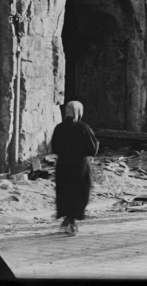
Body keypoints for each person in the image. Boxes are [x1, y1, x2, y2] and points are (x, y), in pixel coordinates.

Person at [51, 100, 99, 236]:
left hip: (63, 165)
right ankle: (72, 220)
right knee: (79, 191)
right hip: (80, 166)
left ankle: (68, 218)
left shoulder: (59, 128)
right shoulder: (83, 128)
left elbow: (55, 147)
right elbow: (93, 149)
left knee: (65, 191)